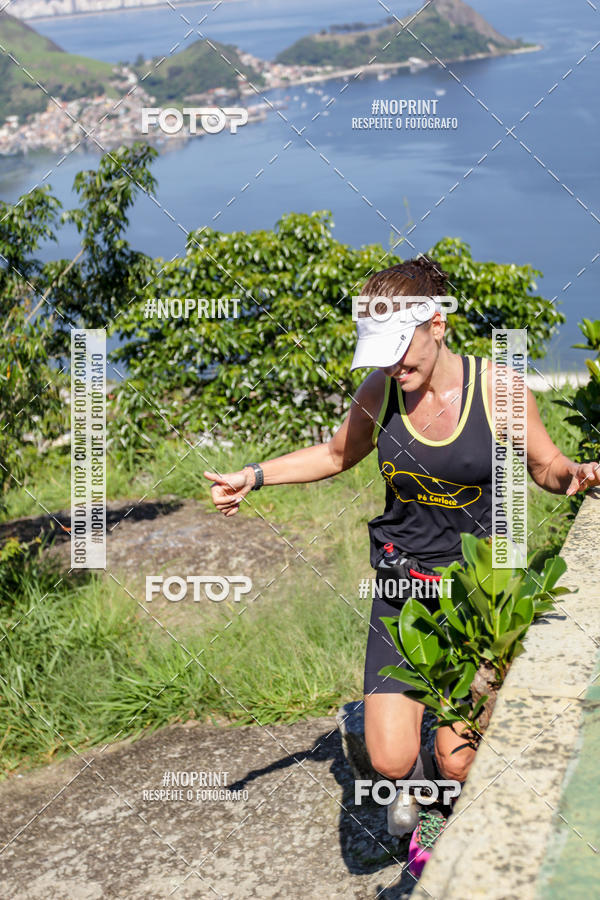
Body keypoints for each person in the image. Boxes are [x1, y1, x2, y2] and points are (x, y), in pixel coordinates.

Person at [204, 254, 600, 877]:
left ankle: (452, 817)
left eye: (403, 347)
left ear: (437, 324)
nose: (396, 363)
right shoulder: (380, 390)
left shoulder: (497, 388)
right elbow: (335, 455)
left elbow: (546, 467)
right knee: (389, 760)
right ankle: (425, 801)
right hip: (401, 583)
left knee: (459, 760)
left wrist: (575, 475)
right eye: (383, 351)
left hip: (477, 593)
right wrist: (254, 476)